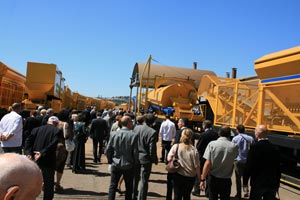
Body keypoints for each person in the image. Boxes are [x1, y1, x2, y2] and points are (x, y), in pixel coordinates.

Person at [24, 116, 60, 200]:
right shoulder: (57, 131)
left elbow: (28, 141)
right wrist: (42, 152)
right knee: (48, 182)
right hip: (48, 159)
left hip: (34, 159)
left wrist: (29, 153)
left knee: (32, 182)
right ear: (57, 123)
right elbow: (53, 144)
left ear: (48, 122)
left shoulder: (36, 129)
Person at [200, 125, 239, 200]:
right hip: (226, 179)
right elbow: (235, 158)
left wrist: (202, 179)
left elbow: (208, 163)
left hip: (213, 177)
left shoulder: (212, 144)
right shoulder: (234, 146)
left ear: (219, 133)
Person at [243, 125, 281, 200]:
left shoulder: (254, 147)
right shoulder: (275, 148)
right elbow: (278, 167)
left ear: (257, 134)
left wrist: (245, 182)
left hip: (257, 183)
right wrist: (277, 183)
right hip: (271, 183)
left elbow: (249, 166)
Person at [106, 115, 138, 200]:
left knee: (113, 186)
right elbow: (135, 152)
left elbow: (108, 149)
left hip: (116, 163)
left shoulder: (113, 134)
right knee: (129, 187)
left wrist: (110, 160)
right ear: (128, 123)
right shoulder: (133, 135)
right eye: (131, 121)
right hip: (129, 164)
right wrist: (135, 163)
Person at [167, 128, 201, 200]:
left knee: (177, 195)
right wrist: (200, 179)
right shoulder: (194, 150)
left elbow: (169, 158)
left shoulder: (176, 146)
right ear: (191, 137)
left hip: (178, 174)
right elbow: (197, 166)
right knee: (187, 196)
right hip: (190, 177)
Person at [133, 113, 158, 200]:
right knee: (143, 181)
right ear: (153, 122)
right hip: (145, 159)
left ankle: (133, 196)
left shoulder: (135, 128)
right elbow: (152, 149)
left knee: (134, 179)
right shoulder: (152, 132)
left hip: (135, 157)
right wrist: (154, 159)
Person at [193, 120, 218, 197]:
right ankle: (208, 192)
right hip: (212, 156)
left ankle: (197, 190)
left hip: (202, 156)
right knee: (209, 174)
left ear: (204, 126)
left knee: (199, 173)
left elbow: (198, 146)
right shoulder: (215, 134)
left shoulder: (203, 134)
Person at [232, 124, 254, 199]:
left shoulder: (235, 138)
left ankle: (238, 194)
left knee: (238, 179)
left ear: (237, 130)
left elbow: (233, 149)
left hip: (238, 161)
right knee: (246, 178)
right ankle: (246, 192)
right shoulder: (250, 138)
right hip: (248, 161)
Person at [55, 109, 73, 193]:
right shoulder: (66, 124)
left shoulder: (55, 123)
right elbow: (68, 135)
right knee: (60, 166)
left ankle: (47, 182)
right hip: (62, 147)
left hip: (53, 146)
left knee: (51, 165)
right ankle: (57, 184)